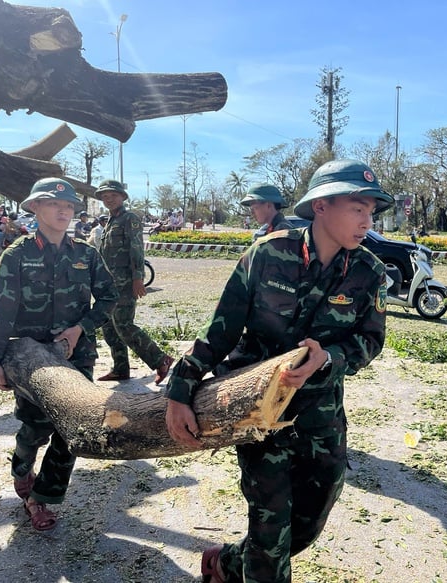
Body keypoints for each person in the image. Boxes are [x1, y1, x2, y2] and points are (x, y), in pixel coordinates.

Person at [165, 159, 392, 583]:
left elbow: (370, 341)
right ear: (321, 206)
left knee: (306, 527)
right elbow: (221, 330)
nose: (367, 220)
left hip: (321, 416)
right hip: (260, 416)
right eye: (357, 208)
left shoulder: (369, 273)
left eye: (371, 211)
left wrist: (329, 359)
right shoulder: (267, 255)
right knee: (271, 537)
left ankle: (227, 562)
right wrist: (180, 391)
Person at [0, 178, 118, 531]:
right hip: (31, 360)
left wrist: (80, 328)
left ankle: (41, 499)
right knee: (36, 428)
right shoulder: (18, 255)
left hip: (76, 357)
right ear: (35, 209)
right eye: (54, 205)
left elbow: (108, 298)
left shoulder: (85, 254)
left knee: (74, 431)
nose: (63, 211)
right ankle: (22, 466)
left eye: (69, 207)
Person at [96, 179, 174, 383]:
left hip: (125, 282)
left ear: (122, 197)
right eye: (104, 196)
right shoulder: (111, 221)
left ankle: (161, 359)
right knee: (109, 327)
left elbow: (136, 248)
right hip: (109, 284)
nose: (108, 199)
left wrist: (138, 278)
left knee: (123, 324)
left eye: (112, 195)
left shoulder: (129, 218)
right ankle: (120, 368)